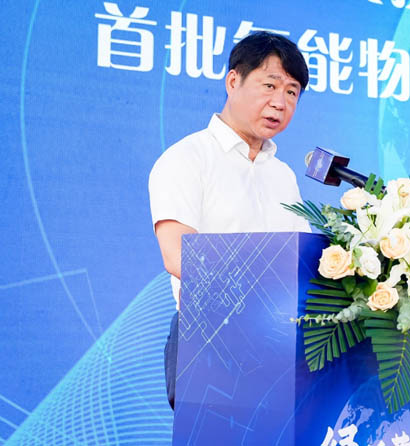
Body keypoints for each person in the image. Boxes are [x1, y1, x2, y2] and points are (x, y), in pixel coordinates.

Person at [148, 32, 311, 409]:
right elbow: (178, 255)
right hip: (210, 339)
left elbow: (303, 262)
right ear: (233, 81)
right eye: (269, 85)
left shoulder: (283, 175)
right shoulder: (187, 158)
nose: (280, 102)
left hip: (282, 345)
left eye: (291, 92)